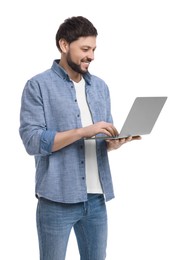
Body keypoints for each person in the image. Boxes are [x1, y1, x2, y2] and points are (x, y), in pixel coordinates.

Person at [19, 16, 141, 260]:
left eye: (94, 49)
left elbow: (98, 139)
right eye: (85, 49)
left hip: (96, 200)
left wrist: (112, 144)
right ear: (64, 45)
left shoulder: (100, 88)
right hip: (56, 199)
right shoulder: (37, 86)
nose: (91, 56)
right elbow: (32, 141)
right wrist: (83, 131)